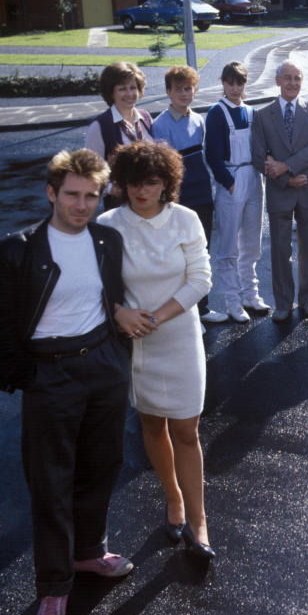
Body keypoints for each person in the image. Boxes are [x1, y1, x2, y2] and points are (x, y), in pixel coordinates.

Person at [0, 149, 134, 615]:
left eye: (92, 195)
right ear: (51, 193)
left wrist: (117, 351)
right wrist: (34, 375)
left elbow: (111, 297)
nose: (82, 204)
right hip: (50, 373)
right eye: (72, 194)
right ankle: (53, 587)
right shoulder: (14, 250)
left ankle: (88, 550)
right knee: (51, 483)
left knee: (103, 465)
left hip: (104, 366)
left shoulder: (108, 239)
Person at [97, 141, 215, 561]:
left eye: (151, 182)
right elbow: (95, 283)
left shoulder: (186, 220)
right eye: (133, 183)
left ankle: (198, 521)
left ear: (167, 183)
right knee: (151, 424)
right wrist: (119, 313)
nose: (142, 191)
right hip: (136, 341)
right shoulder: (109, 224)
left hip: (179, 336)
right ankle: (173, 500)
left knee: (186, 430)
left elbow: (201, 279)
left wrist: (158, 317)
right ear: (122, 183)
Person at [251, 61, 308, 321]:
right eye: (287, 78)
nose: (293, 83)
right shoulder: (263, 116)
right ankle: (283, 304)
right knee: (280, 250)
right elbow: (258, 156)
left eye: (297, 78)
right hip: (280, 190)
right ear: (277, 81)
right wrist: (287, 180)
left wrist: (286, 166)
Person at [152, 65, 223, 326]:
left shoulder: (199, 120)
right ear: (168, 92)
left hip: (202, 191)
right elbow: (162, 168)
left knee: (201, 252)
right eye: (179, 89)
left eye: (189, 88)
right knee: (178, 256)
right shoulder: (160, 125)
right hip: (178, 196)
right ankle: (185, 315)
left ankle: (202, 309)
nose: (184, 93)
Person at [205, 61, 269, 322]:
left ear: (245, 84)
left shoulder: (251, 112)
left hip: (253, 179)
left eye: (239, 83)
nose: (235, 88)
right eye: (230, 83)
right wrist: (228, 182)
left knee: (252, 243)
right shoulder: (216, 113)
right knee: (228, 245)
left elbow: (261, 147)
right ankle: (232, 301)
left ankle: (250, 294)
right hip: (231, 180)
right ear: (223, 83)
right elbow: (212, 155)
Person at [84, 61, 152, 208]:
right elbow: (90, 174)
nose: (129, 94)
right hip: (120, 206)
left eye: (133, 88)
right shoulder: (100, 126)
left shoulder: (145, 117)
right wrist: (112, 189)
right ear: (111, 93)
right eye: (122, 89)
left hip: (150, 202)